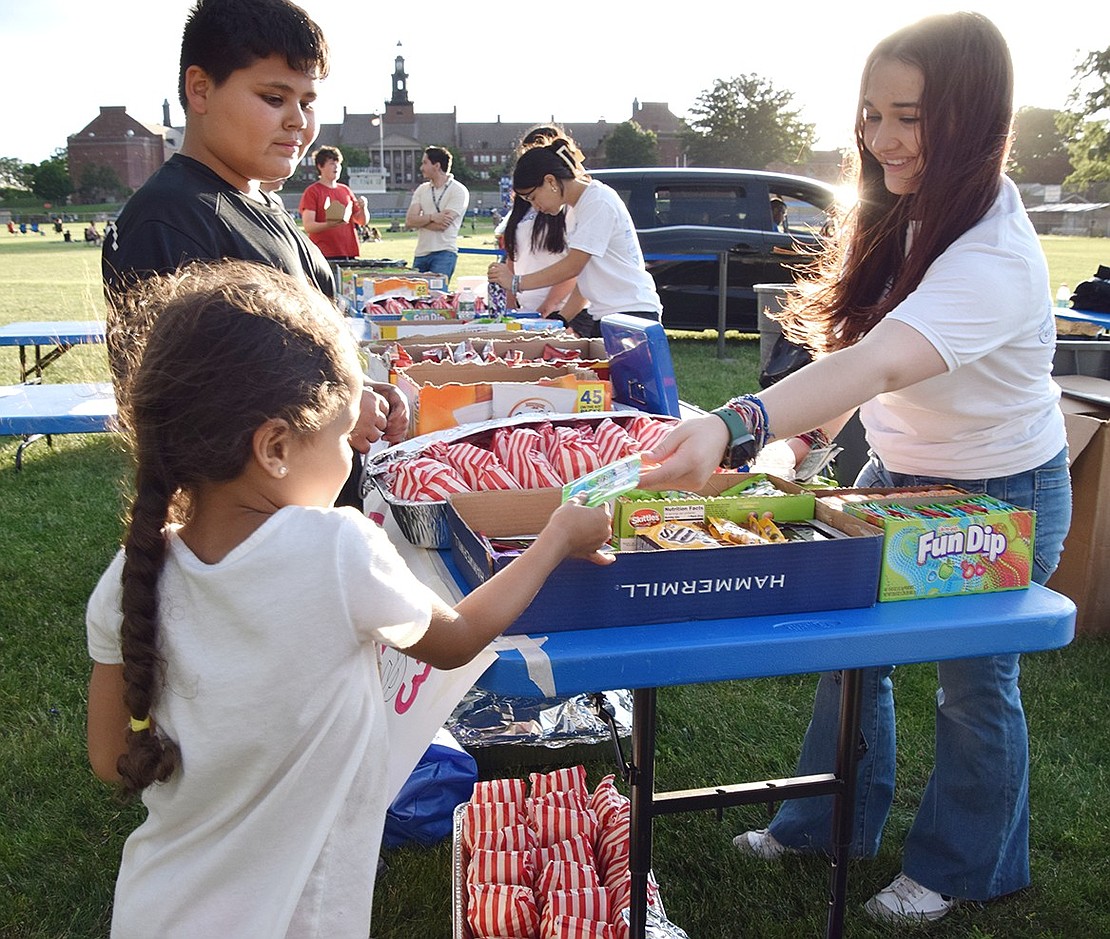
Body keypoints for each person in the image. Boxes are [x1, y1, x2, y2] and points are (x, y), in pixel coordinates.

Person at [639, 12, 1071, 925]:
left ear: (972, 115)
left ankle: (962, 868)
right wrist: (797, 442)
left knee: (971, 685)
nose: (882, 139)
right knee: (849, 654)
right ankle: (821, 826)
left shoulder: (992, 251)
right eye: (872, 114)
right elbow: (851, 361)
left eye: (909, 116)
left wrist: (737, 420)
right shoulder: (899, 213)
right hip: (897, 472)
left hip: (1004, 494)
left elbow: (878, 364)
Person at [85, 259, 614, 939]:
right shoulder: (333, 549)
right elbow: (453, 639)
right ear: (275, 446)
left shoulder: (130, 573)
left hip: (153, 908)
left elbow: (108, 757)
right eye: (341, 438)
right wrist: (555, 537)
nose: (350, 454)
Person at [100, 0, 405, 507]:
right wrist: (344, 405)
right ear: (200, 89)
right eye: (273, 97)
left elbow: (295, 356)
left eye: (308, 103)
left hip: (309, 513)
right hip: (253, 536)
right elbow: (191, 414)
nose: (298, 122)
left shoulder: (260, 201)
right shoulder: (173, 218)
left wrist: (361, 383)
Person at [487, 138, 661, 339]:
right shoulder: (576, 209)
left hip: (632, 314)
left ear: (550, 181)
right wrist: (560, 320)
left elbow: (573, 266)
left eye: (533, 197)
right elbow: (586, 278)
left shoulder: (598, 201)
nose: (535, 206)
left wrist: (516, 282)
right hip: (607, 315)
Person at [496, 124, 582, 320]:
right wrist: (511, 302)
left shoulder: (570, 205)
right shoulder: (522, 204)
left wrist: (547, 307)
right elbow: (513, 254)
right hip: (527, 309)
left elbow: (574, 266)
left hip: (561, 310)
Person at [405, 145, 469, 282]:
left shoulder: (458, 190)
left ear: (437, 166)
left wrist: (420, 222)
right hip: (421, 254)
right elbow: (409, 221)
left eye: (425, 163)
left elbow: (443, 225)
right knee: (415, 299)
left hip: (444, 253)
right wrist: (432, 217)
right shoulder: (422, 190)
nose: (421, 167)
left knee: (437, 298)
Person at [298, 145, 368, 261]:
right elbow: (309, 226)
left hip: (349, 252)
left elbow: (361, 221)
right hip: (323, 254)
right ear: (320, 166)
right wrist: (329, 224)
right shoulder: (312, 191)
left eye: (338, 163)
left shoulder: (345, 190)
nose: (336, 167)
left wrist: (363, 208)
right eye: (331, 163)